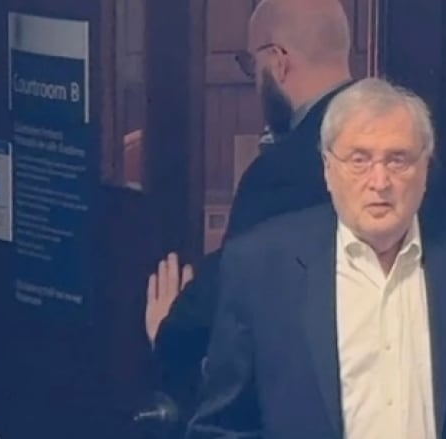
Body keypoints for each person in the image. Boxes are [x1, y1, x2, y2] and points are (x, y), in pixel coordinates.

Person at [185, 77, 446, 439]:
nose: (380, 181)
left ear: (425, 168)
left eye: (398, 160)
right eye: (359, 160)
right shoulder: (259, 268)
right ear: (328, 169)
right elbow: (222, 427)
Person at [144, 0, 355, 424]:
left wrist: (169, 330)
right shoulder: (410, 152)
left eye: (249, 63)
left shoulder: (285, 170)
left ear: (278, 62)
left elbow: (233, 288)